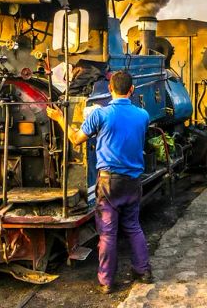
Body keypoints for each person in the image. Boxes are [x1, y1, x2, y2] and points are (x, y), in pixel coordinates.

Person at [46, 70, 152, 294]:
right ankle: (143, 271)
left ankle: (106, 281)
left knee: (108, 233)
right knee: (133, 227)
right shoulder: (143, 115)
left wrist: (59, 119)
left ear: (110, 89)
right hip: (133, 181)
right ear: (131, 90)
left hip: (108, 183)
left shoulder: (100, 115)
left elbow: (76, 139)